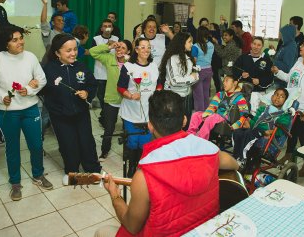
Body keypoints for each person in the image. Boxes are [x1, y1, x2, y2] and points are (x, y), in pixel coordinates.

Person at [96, 90, 239, 237]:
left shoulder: (144, 176)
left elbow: (132, 226)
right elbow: (234, 165)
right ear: (184, 120)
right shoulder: (211, 152)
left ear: (150, 126)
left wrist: (115, 195)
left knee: (101, 232)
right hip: (202, 231)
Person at [0, 25, 52, 200]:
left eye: (21, 38)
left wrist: (29, 91)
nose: (20, 42)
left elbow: (41, 78)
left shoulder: (30, 57)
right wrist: (2, 97)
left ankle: (38, 175)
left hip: (30, 109)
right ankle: (15, 182)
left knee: (36, 145)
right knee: (12, 148)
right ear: (5, 43)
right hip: (8, 112)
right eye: (15, 40)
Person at [43, 34, 101, 185]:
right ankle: (72, 172)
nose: (73, 53)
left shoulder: (81, 66)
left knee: (86, 141)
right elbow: (42, 91)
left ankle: (93, 170)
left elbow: (92, 84)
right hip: (60, 116)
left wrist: (87, 93)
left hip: (81, 113)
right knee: (68, 144)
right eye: (68, 50)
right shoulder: (48, 70)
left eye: (75, 49)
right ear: (57, 53)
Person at [272, 37, 304, 177]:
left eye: (303, 45)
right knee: (291, 132)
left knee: (302, 136)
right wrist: (278, 72)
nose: (300, 46)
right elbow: (290, 78)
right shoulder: (298, 61)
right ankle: (289, 155)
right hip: (291, 105)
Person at [117, 38, 160, 177]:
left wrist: (159, 91)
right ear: (136, 50)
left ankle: (139, 166)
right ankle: (131, 166)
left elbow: (159, 83)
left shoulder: (154, 66)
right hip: (131, 111)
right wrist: (129, 95)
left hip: (148, 112)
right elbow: (120, 87)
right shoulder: (129, 67)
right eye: (142, 47)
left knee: (145, 142)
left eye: (148, 47)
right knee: (132, 141)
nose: (146, 50)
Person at [89, 39, 133, 160]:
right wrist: (109, 46)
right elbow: (93, 52)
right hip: (111, 100)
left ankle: (128, 152)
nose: (119, 50)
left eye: (123, 48)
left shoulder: (132, 63)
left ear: (128, 51)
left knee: (127, 129)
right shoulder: (109, 59)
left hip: (127, 101)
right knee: (109, 128)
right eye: (118, 47)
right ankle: (104, 151)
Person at [232, 88, 291, 161]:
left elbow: (281, 130)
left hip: (267, 135)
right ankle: (236, 157)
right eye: (276, 94)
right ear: (272, 97)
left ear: (285, 101)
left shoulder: (284, 115)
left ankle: (241, 159)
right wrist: (249, 123)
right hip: (256, 131)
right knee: (238, 132)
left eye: (282, 96)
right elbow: (255, 121)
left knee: (249, 133)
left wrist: (269, 132)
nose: (278, 97)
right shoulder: (263, 109)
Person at [188, 74, 249, 140]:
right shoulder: (220, 94)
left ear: (235, 83)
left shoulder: (240, 98)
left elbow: (245, 115)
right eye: (224, 81)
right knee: (196, 115)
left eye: (227, 81)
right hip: (215, 117)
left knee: (212, 117)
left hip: (227, 121)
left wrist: (235, 126)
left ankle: (201, 139)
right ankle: (190, 136)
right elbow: (212, 107)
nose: (224, 83)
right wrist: (206, 115)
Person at [159, 32, 199, 126]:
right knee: (173, 126)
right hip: (173, 97)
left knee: (186, 124)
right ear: (182, 43)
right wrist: (192, 77)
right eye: (189, 42)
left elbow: (191, 79)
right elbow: (174, 81)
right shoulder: (172, 59)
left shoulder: (188, 58)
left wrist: (195, 76)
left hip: (186, 96)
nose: (192, 44)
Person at [233, 37, 274, 113]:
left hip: (259, 93)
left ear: (262, 47)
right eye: (254, 44)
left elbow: (270, 77)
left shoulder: (266, 60)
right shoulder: (243, 57)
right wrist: (241, 74)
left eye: (259, 45)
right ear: (251, 45)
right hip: (243, 92)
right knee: (242, 114)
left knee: (255, 116)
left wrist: (260, 81)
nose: (256, 47)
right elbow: (235, 69)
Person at [92, 19, 119, 124]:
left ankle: (105, 118)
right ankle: (105, 117)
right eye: (105, 26)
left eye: (109, 26)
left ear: (112, 28)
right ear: (101, 28)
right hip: (100, 73)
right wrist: (108, 46)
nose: (107, 28)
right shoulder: (96, 39)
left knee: (111, 98)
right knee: (102, 98)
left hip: (112, 74)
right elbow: (95, 54)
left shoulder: (116, 39)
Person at [191, 26, 214, 112]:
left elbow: (194, 61)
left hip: (198, 71)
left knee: (198, 96)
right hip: (209, 70)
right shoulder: (211, 45)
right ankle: (206, 114)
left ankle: (199, 117)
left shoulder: (195, 46)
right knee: (205, 94)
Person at [40, 0, 64, 64]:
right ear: (53, 23)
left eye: (62, 20)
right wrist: (45, 4)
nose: (62, 22)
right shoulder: (49, 34)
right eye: (59, 20)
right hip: (50, 64)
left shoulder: (65, 35)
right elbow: (43, 21)